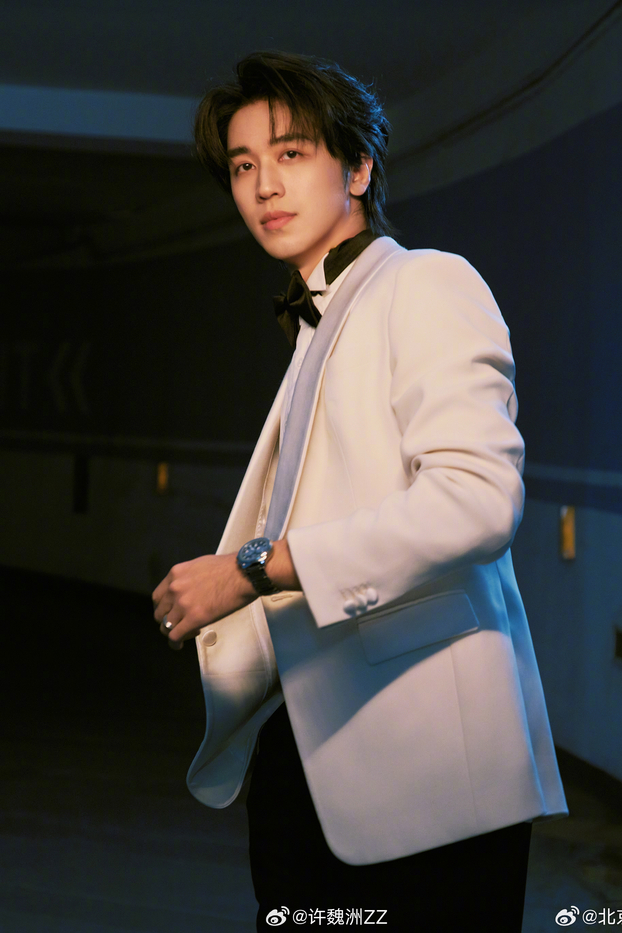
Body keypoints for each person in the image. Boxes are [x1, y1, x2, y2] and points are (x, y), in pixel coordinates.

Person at [152, 50, 567, 931]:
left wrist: (253, 567)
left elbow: (475, 499)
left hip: (430, 771)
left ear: (358, 168)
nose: (264, 185)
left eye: (291, 153)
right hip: (315, 748)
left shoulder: (426, 282)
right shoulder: (320, 321)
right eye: (243, 166)